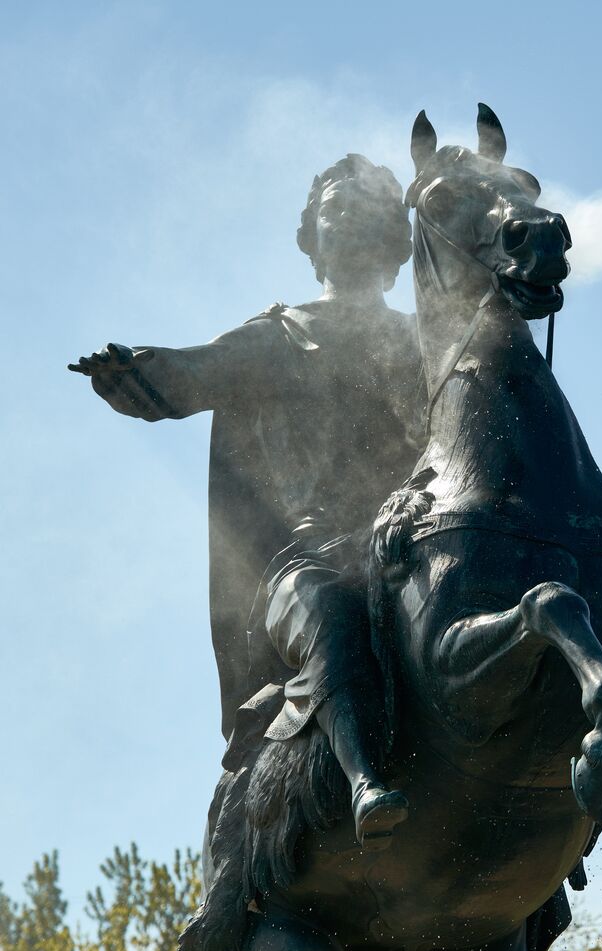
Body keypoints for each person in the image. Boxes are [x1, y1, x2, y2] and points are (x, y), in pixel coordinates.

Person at [70, 155, 426, 849]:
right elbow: (188, 373)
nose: (349, 218)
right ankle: (364, 782)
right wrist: (133, 371)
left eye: (366, 210)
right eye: (334, 209)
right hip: (311, 559)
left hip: (413, 545)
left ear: (393, 240)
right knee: (328, 607)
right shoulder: (279, 336)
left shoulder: (423, 339)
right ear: (312, 240)